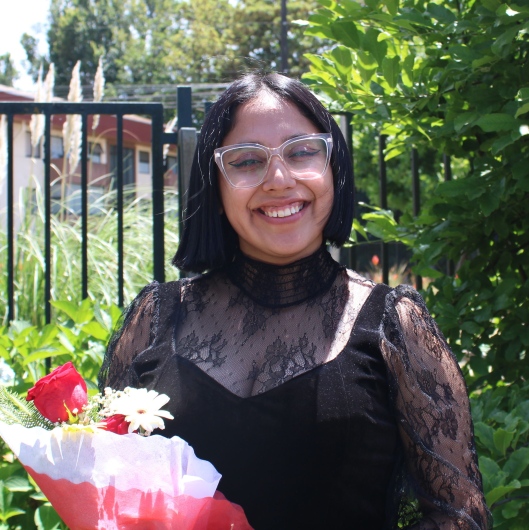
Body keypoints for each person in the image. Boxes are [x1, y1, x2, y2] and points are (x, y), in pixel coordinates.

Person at [99, 72, 491, 530]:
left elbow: (459, 515)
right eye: (247, 161)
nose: (279, 179)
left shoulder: (395, 325)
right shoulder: (153, 318)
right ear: (215, 186)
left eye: (302, 152)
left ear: (334, 169)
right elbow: (104, 488)